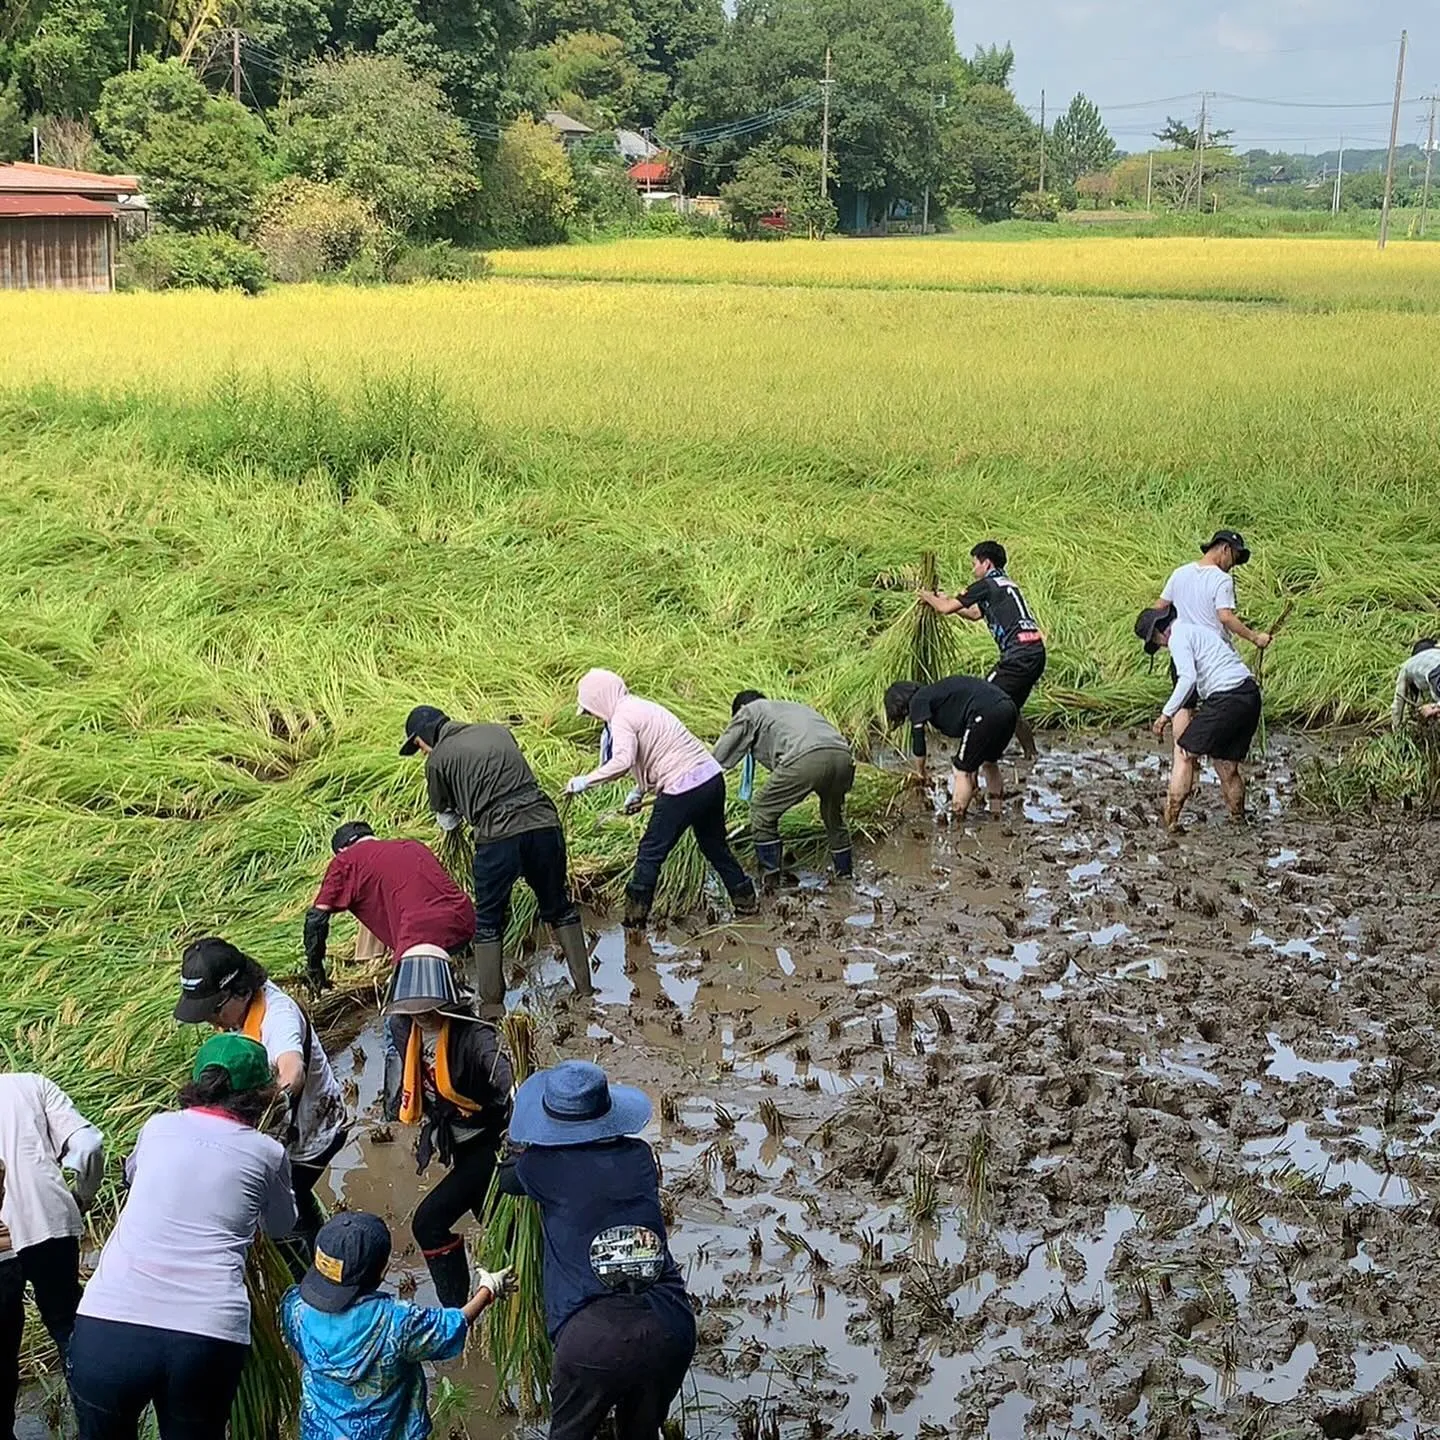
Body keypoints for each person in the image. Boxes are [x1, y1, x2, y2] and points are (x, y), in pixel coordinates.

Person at [68, 1035, 297, 1440]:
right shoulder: (267, 1152)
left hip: (110, 1325)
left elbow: (136, 1178)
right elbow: (280, 1226)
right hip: (205, 1334)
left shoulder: (157, 1127)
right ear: (261, 1094)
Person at [498, 1061, 695, 1440]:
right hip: (669, 1323)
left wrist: (518, 1146)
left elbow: (508, 1178)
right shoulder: (639, 1157)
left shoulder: (541, 1167)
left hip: (592, 1339)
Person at [400, 705, 591, 1006]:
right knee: (559, 906)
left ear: (425, 736)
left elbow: (446, 818)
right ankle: (585, 990)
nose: (422, 752)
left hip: (497, 836)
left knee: (488, 921)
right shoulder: (497, 730)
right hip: (544, 823)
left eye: (419, 746)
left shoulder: (438, 759)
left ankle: (491, 1006)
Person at [174, 937, 347, 1256]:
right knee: (293, 1202)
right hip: (282, 1136)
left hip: (312, 1133)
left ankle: (306, 1273)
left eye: (213, 1010)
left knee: (275, 1217)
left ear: (238, 990)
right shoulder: (236, 1016)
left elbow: (292, 1068)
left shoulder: (277, 1016)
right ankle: (316, 1242)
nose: (212, 1021)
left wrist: (273, 1104)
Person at [282, 1211, 512, 1440]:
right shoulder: (398, 1322)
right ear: (383, 1271)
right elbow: (450, 1326)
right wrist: (488, 1290)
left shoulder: (295, 1309)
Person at [566, 670, 758, 928]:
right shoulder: (641, 707)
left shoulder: (622, 717)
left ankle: (634, 920)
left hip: (683, 787)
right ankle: (745, 899)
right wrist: (639, 791)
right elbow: (659, 752)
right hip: (711, 780)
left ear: (600, 699)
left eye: (590, 710)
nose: (592, 716)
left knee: (650, 852)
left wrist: (585, 781)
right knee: (714, 846)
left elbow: (622, 761)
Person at [381, 954, 512, 1308]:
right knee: (501, 1227)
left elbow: (499, 1065)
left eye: (429, 1006)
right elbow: (397, 1077)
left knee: (428, 1223)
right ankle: (483, 1303)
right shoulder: (402, 1027)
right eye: (413, 1007)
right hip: (456, 1143)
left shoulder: (473, 1034)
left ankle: (455, 1316)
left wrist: (512, 1085)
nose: (421, 1013)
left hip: (490, 1144)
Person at [0, 1072, 104, 1438]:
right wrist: (84, 1194)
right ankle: (94, 1426)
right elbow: (88, 1145)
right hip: (51, 1220)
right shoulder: (31, 1084)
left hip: (2, 1238)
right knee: (66, 1328)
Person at [303, 821, 476, 993]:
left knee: (403, 1012)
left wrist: (315, 971)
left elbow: (316, 920)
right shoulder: (412, 845)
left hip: (420, 936)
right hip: (465, 921)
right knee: (444, 994)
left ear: (341, 850)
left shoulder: (345, 861)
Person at [712, 690, 856, 888]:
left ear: (740, 711)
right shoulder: (792, 708)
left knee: (762, 810)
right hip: (843, 756)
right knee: (834, 816)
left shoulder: (750, 710)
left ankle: (771, 881)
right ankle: (845, 875)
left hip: (806, 758)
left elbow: (718, 758)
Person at [1136, 604, 1263, 828]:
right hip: (1249, 695)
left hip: (1226, 697)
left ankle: (1171, 821)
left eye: (1156, 643)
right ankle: (1238, 820)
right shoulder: (1197, 630)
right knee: (1226, 766)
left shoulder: (1178, 638)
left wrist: (1165, 715)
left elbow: (1187, 679)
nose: (1162, 647)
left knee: (1185, 752)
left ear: (1158, 633)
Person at [919, 540, 1046, 758]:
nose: (973, 569)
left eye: (974, 563)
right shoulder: (1007, 584)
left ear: (986, 563)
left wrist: (926, 596)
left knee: (985, 699)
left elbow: (945, 609)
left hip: (1017, 656)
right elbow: (975, 614)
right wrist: (946, 601)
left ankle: (972, 754)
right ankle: (1031, 754)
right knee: (1009, 705)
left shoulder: (985, 585)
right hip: (1036, 652)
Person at [1153, 530, 1272, 746]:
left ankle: (1183, 760)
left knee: (1183, 710)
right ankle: (1194, 753)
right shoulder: (1222, 580)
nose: (1232, 566)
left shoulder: (1180, 573)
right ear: (1225, 549)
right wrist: (1255, 638)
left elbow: (1159, 608)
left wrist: (1166, 635)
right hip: (1212, 657)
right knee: (1215, 706)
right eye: (1234, 559)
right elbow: (1225, 617)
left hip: (1183, 652)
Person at [884, 675, 1017, 821]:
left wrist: (921, 773)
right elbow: (974, 746)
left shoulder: (917, 701)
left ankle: (957, 820)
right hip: (1008, 708)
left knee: (960, 770)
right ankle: (996, 812)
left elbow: (919, 743)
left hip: (984, 713)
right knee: (989, 763)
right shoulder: (936, 692)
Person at [1392, 638, 1440, 730]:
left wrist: (1396, 729)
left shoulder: (1407, 666)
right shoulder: (1437, 652)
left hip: (1436, 674)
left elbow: (1397, 703)